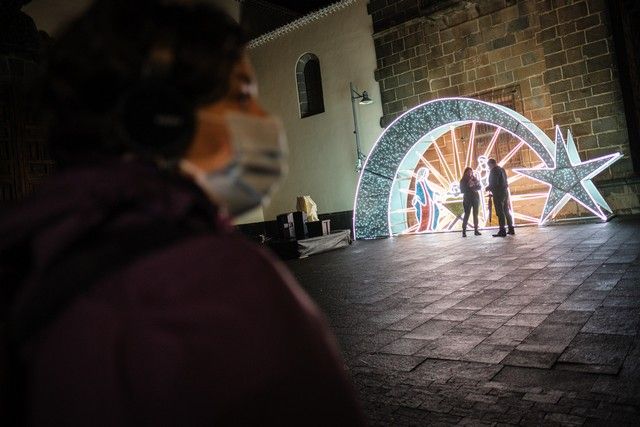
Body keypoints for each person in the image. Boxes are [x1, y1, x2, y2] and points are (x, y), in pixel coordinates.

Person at [0, 1, 365, 425]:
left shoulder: (30, 249)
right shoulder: (216, 282)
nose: (264, 119)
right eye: (242, 96)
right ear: (161, 118)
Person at [485, 158, 515, 237]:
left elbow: (494, 183)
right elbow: (506, 181)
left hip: (498, 193)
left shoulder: (494, 171)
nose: (489, 168)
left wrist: (488, 188)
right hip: (505, 192)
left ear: (491, 164)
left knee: (500, 211)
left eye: (489, 166)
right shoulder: (502, 169)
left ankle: (502, 230)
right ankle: (511, 228)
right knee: (506, 210)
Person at [459, 167, 481, 237]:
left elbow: (479, 188)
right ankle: (464, 231)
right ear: (465, 172)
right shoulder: (463, 180)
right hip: (467, 198)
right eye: (468, 172)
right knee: (467, 214)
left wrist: (477, 184)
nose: (470, 173)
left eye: (471, 172)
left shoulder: (474, 179)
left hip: (475, 198)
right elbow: (462, 190)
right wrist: (468, 185)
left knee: (475, 214)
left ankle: (476, 230)